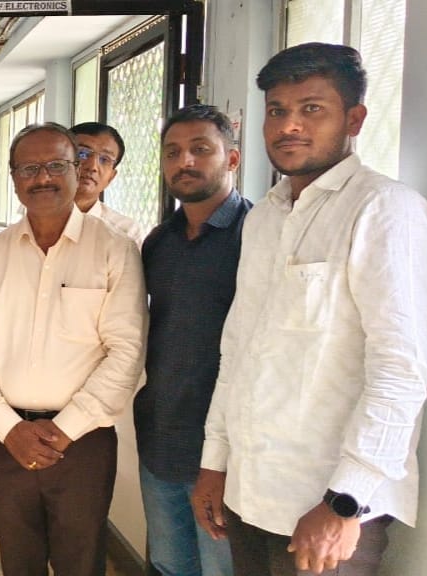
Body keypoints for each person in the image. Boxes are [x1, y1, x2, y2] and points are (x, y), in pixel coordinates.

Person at [192, 43, 427, 576]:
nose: (289, 126)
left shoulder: (385, 211)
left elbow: (401, 370)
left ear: (354, 118)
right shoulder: (266, 218)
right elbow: (238, 350)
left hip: (327, 509)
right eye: (277, 110)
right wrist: (215, 463)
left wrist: (346, 501)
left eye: (312, 109)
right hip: (250, 493)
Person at [0, 122, 146, 575]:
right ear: (15, 177)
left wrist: (65, 429)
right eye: (29, 168)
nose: (43, 178)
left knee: (81, 563)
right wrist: (7, 427)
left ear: (77, 170)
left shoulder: (114, 250)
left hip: (82, 445)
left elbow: (126, 351)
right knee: (17, 562)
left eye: (56, 165)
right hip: (5, 440)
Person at [135, 104, 249, 576]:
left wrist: (221, 458)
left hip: (226, 454)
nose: (185, 162)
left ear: (233, 159)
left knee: (221, 568)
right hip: (161, 441)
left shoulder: (256, 236)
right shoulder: (159, 243)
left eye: (201, 150)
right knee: (167, 564)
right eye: (173, 152)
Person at [70, 122, 145, 245]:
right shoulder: (34, 218)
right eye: (82, 154)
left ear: (111, 177)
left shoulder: (125, 232)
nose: (93, 166)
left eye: (104, 160)